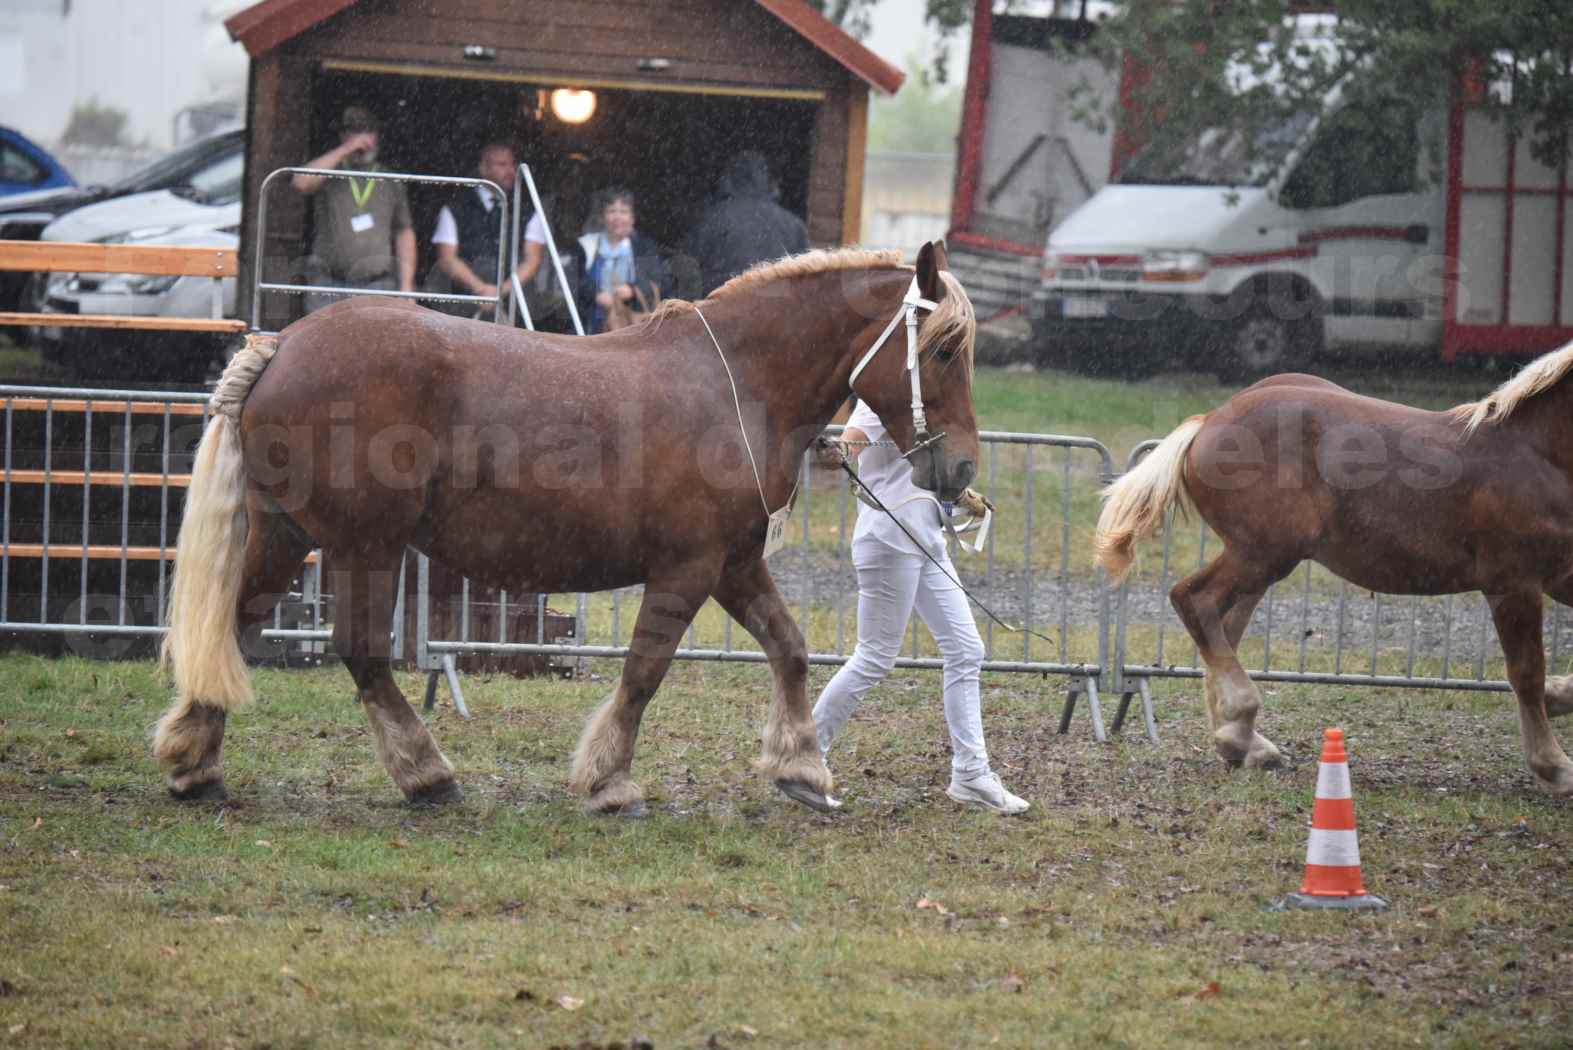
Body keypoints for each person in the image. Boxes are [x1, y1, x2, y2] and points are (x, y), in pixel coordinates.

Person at [812, 402, 1028, 814]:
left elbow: (917, 468)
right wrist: (838, 451)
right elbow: (851, 445)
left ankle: (971, 774)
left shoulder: (925, 402)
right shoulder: (882, 399)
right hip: (890, 540)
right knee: (874, 657)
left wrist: (961, 496)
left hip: (926, 540)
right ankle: (804, 756)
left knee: (967, 651)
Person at [292, 104, 416, 313]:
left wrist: (407, 287)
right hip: (328, 282)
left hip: (376, 283)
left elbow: (404, 232)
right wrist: (346, 149)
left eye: (368, 132)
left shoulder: (390, 179)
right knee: (324, 343)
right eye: (355, 132)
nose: (363, 139)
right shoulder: (329, 171)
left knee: (374, 344)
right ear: (343, 135)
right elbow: (300, 183)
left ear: (377, 136)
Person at [430, 140, 551, 317]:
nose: (510, 171)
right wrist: (480, 290)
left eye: (512, 164)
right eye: (502, 165)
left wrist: (500, 291)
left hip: (514, 308)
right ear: (483, 168)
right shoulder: (456, 208)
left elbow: (533, 260)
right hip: (465, 307)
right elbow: (447, 259)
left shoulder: (528, 210)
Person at [685, 150, 809, 296]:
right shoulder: (794, 226)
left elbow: (688, 268)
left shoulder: (713, 219)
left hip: (721, 312)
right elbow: (805, 285)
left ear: (728, 178)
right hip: (775, 314)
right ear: (767, 180)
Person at [574, 188, 668, 333]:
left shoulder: (645, 248)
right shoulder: (587, 246)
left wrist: (632, 291)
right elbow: (574, 283)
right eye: (611, 211)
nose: (617, 217)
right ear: (602, 217)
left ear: (632, 218)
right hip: (593, 328)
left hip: (634, 328)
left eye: (623, 212)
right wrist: (595, 296)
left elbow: (659, 283)